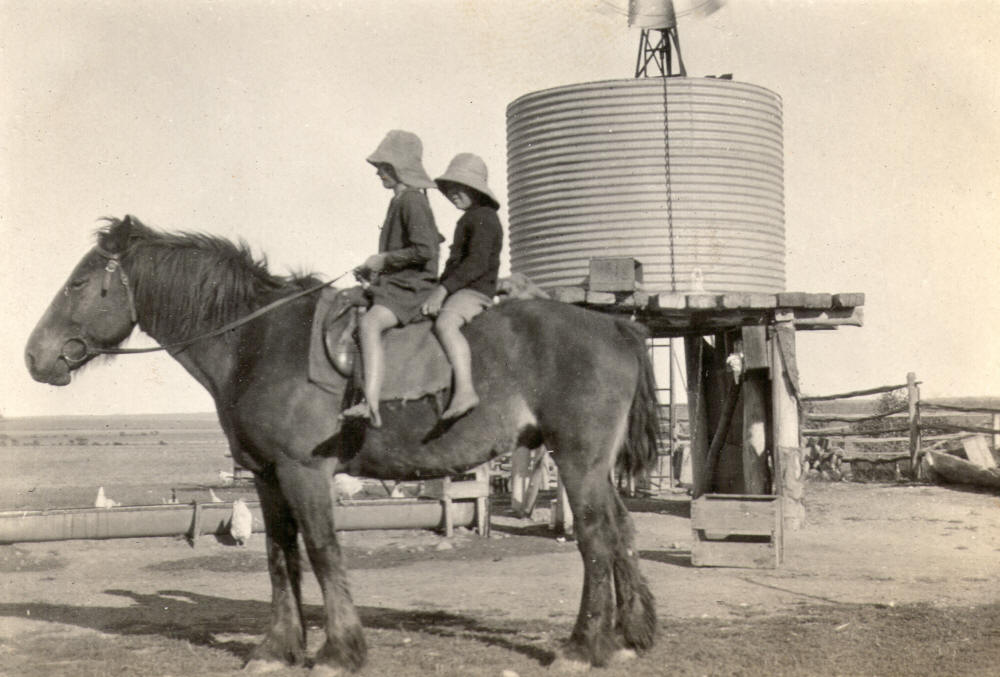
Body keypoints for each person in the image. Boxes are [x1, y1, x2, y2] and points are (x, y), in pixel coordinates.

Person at [342, 130, 443, 428]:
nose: (379, 173)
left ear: (400, 168)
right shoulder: (399, 200)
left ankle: (371, 403)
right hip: (396, 283)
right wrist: (373, 269)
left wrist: (384, 260)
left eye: (384, 167)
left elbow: (425, 251)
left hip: (412, 288)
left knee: (370, 324)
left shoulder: (411, 201)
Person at [421, 153, 503, 421]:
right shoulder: (470, 218)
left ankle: (465, 390)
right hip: (461, 288)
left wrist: (443, 290)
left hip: (474, 291)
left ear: (475, 189)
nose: (454, 194)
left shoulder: (484, 217)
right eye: (451, 188)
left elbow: (476, 263)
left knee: (446, 324)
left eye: (461, 187)